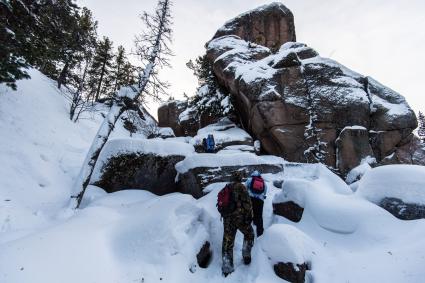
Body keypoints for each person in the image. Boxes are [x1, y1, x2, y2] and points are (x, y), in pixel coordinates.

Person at [220, 171, 254, 277]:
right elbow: (248, 204)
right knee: (249, 234)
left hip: (227, 219)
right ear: (239, 178)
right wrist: (250, 217)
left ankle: (227, 266)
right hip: (239, 219)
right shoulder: (241, 187)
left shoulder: (227, 187)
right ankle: (246, 255)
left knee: (227, 242)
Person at [245, 170, 267, 237]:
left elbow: (245, 188)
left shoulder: (250, 179)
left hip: (251, 199)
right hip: (260, 200)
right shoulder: (263, 182)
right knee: (259, 216)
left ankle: (248, 232)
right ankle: (260, 233)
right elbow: (265, 191)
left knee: (249, 214)